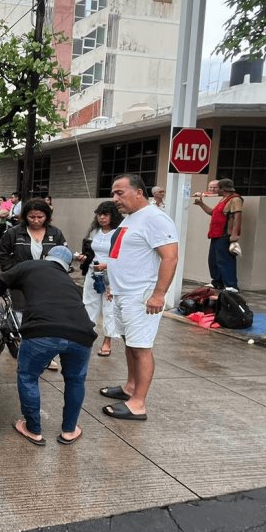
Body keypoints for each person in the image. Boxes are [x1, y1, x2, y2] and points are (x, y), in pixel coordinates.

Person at [0, 245, 97, 446]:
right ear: (66, 267)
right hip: (82, 334)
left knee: (28, 376)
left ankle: (33, 429)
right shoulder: (68, 281)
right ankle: (69, 431)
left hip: (42, 331)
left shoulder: (31, 265)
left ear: (46, 257)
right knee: (75, 381)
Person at [99, 174, 179, 421]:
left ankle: (138, 404)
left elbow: (170, 257)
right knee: (130, 343)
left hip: (141, 295)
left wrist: (158, 294)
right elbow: (127, 254)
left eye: (119, 193)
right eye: (113, 193)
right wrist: (112, 279)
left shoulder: (155, 218)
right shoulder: (131, 219)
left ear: (138, 192)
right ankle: (130, 388)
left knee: (141, 348)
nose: (115, 199)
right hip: (123, 293)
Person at [0, 198, 70, 370]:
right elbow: (2, 252)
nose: (36, 221)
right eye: (32, 217)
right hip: (21, 283)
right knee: (22, 318)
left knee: (46, 319)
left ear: (47, 217)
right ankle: (26, 352)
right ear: (25, 217)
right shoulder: (14, 233)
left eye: (40, 217)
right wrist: (12, 271)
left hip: (48, 284)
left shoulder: (56, 234)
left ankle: (46, 355)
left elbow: (64, 254)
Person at [76, 201, 122, 358]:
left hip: (112, 275)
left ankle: (107, 341)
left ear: (113, 216)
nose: (102, 217)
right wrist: (84, 258)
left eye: (106, 214)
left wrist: (107, 265)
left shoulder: (119, 232)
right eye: (99, 214)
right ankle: (86, 337)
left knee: (109, 308)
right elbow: (90, 252)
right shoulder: (94, 231)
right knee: (89, 304)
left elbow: (123, 257)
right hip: (93, 272)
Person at [193, 177, 243, 290]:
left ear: (222, 189)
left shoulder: (235, 199)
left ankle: (231, 285)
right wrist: (201, 204)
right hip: (216, 234)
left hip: (225, 234)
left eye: (217, 188)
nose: (215, 190)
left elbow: (237, 217)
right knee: (214, 260)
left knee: (225, 260)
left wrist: (235, 235)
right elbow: (213, 213)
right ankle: (217, 282)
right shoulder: (224, 199)